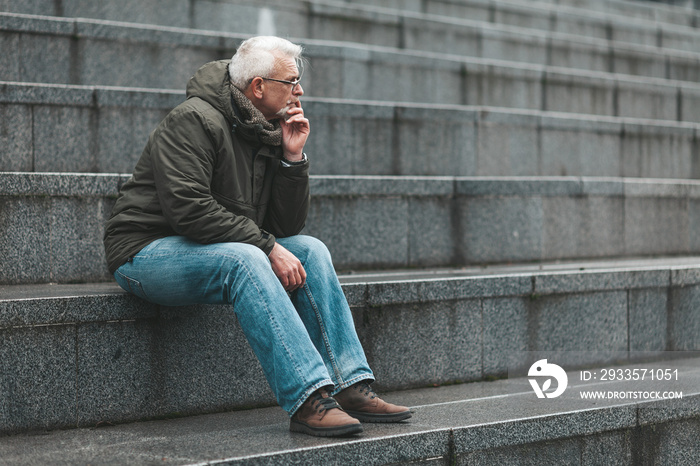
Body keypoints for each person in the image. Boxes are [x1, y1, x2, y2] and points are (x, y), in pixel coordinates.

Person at [103, 36, 411, 437]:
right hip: (144, 253)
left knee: (311, 251)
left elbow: (286, 229)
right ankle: (307, 400)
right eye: (291, 80)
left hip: (211, 246)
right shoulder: (193, 120)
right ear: (258, 87)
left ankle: (350, 385)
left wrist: (292, 159)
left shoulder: (266, 129)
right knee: (245, 259)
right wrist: (266, 247)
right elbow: (190, 210)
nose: (300, 90)